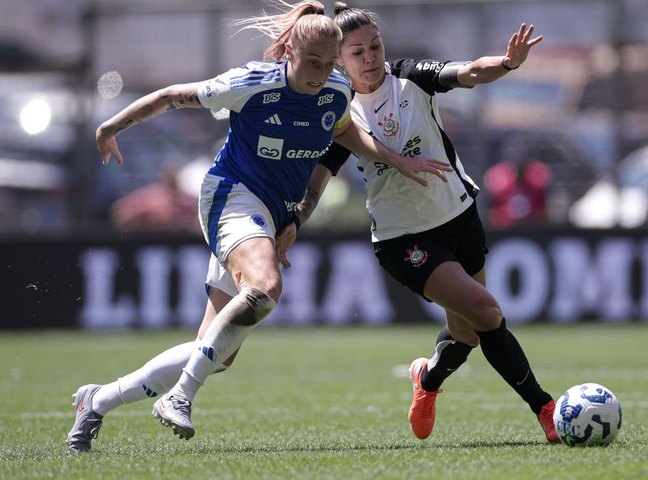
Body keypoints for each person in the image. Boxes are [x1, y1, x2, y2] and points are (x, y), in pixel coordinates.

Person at [66, 0, 452, 453]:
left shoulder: (334, 89)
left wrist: (393, 158)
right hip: (231, 196)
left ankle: (97, 399)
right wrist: (111, 126)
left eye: (329, 64)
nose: (320, 73)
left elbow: (343, 130)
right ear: (289, 51)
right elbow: (171, 96)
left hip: (267, 213)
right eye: (312, 62)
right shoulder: (251, 83)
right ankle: (179, 397)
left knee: (217, 353)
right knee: (266, 286)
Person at [268, 2, 560, 443]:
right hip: (403, 238)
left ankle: (427, 379)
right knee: (486, 312)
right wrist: (295, 221)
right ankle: (546, 409)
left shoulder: (409, 77)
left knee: (467, 335)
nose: (370, 57)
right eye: (357, 52)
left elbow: (469, 73)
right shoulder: (338, 110)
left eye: (375, 46)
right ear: (339, 62)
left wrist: (506, 63)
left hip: (459, 216)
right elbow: (316, 184)